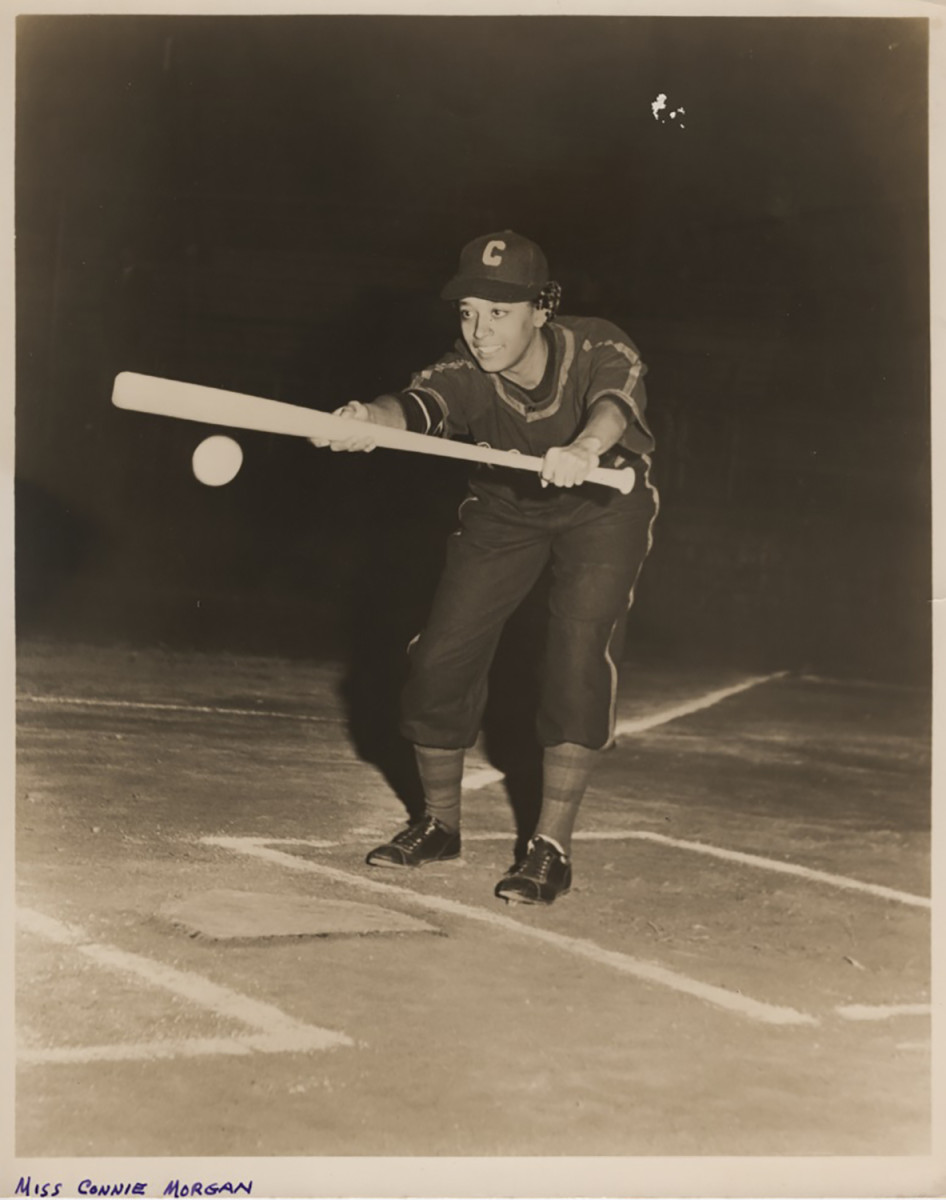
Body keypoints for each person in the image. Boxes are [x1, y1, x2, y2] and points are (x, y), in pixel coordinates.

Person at [313, 230, 658, 905]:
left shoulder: (599, 345)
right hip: (505, 510)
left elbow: (613, 404)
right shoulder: (468, 372)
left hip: (601, 502)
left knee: (577, 650)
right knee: (440, 656)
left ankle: (550, 847)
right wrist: (368, 420)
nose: (480, 330)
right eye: (468, 311)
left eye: (499, 312)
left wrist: (584, 448)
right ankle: (439, 824)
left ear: (541, 309)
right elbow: (417, 407)